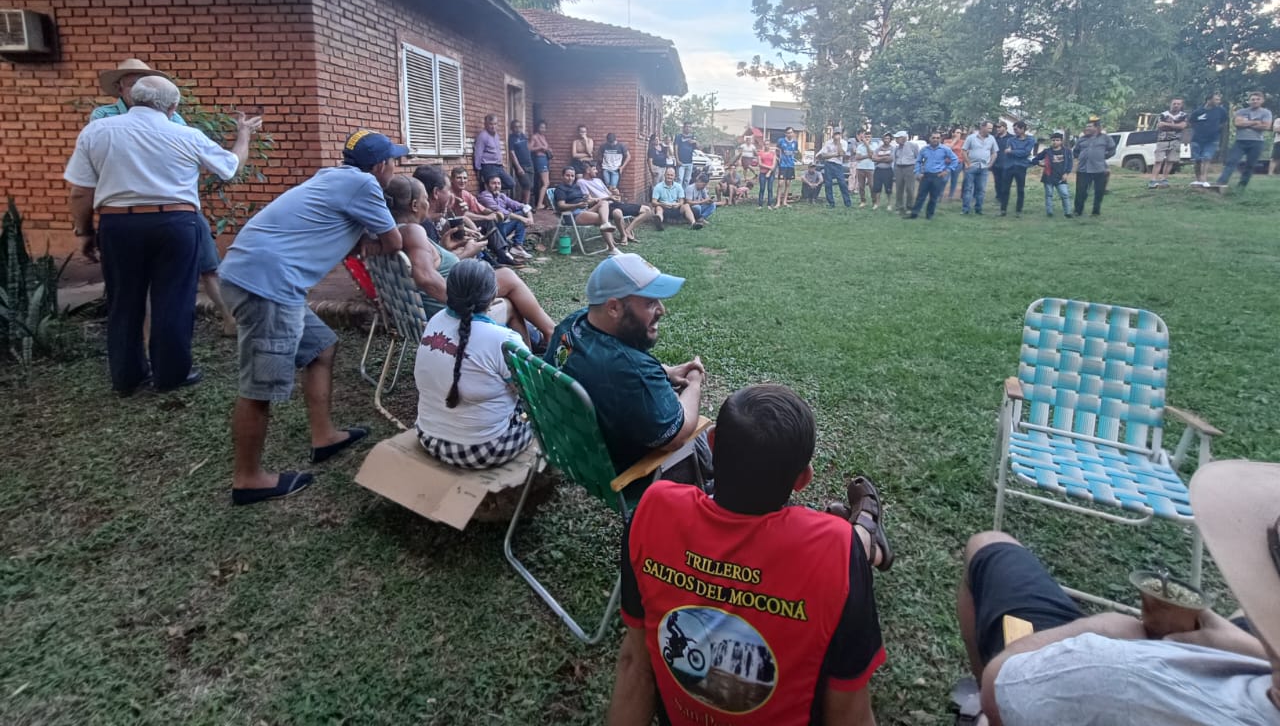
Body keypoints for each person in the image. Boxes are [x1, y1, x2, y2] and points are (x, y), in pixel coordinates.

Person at [607, 384, 890, 726]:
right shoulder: (835, 548)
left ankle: (867, 529)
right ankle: (866, 526)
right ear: (803, 479)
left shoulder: (653, 511)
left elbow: (635, 666)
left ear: (711, 445)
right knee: (848, 543)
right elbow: (849, 714)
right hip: (834, 550)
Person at [959, 459, 1280, 726]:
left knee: (988, 548)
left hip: (1079, 678)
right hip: (1243, 672)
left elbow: (1000, 685)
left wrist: (1099, 629)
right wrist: (1245, 648)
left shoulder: (1118, 674)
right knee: (1241, 620)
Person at [219, 129, 405, 506]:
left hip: (257, 274)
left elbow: (336, 230)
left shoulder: (333, 178)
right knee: (261, 386)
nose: (395, 167)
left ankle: (324, 436)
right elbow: (395, 241)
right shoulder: (365, 185)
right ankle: (248, 478)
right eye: (394, 161)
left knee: (321, 346)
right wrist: (374, 243)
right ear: (381, 165)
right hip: (267, 285)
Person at [65, 75, 255, 395]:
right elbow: (232, 166)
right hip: (175, 224)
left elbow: (80, 193)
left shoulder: (97, 131)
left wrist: (84, 232)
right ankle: (171, 375)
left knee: (124, 301)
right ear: (173, 106)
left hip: (119, 225)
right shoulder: (185, 133)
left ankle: (127, 379)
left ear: (131, 99)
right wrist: (244, 134)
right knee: (174, 300)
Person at [90, 58, 237, 336]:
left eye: (141, 82)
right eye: (132, 83)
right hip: (127, 208)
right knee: (141, 284)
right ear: (120, 87)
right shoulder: (103, 119)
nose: (137, 88)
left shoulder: (173, 118)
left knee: (208, 264)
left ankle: (228, 318)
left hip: (176, 208)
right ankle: (147, 343)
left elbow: (184, 148)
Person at [544, 253, 707, 480]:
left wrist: (664, 371)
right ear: (613, 308)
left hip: (572, 446)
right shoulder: (630, 372)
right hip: (616, 468)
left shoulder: (573, 324)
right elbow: (677, 435)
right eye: (650, 302)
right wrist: (695, 382)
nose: (662, 310)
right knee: (704, 436)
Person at [400, 170, 555, 343]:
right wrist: (467, 255)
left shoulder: (393, 235)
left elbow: (432, 265)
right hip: (449, 310)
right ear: (415, 205)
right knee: (507, 278)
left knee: (504, 278)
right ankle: (549, 334)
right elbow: (426, 278)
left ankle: (542, 335)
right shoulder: (413, 231)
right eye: (424, 201)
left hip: (430, 305)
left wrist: (448, 249)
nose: (427, 205)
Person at [413, 259, 534, 469]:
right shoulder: (504, 340)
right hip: (484, 448)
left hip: (428, 436)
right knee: (545, 419)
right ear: (493, 295)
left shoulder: (435, 320)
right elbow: (530, 394)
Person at [551, 165, 621, 250]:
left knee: (604, 202)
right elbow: (561, 205)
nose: (570, 178)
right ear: (562, 176)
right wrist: (577, 205)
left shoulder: (576, 187)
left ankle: (607, 227)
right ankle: (612, 248)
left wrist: (586, 200)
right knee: (602, 218)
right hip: (573, 215)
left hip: (584, 210)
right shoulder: (560, 189)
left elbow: (583, 199)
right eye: (567, 175)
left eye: (572, 176)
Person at [1215, 91, 1273, 188]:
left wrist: (1246, 123)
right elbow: (1238, 124)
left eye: (1257, 99)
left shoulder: (1266, 112)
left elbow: (1266, 126)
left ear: (1262, 101)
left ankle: (1241, 186)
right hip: (1240, 141)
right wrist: (1256, 122)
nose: (1255, 101)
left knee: (1250, 165)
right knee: (1231, 161)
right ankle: (1221, 182)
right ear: (1249, 101)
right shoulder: (1241, 111)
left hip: (1257, 142)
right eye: (1252, 99)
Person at [478, 173, 533, 261]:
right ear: (487, 186)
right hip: (490, 231)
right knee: (501, 217)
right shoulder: (484, 196)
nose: (497, 186)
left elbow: (521, 205)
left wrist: (530, 218)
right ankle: (503, 250)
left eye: (498, 183)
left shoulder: (501, 196)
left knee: (521, 213)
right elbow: (500, 211)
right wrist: (522, 218)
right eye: (493, 183)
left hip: (502, 228)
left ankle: (517, 246)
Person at [907, 131, 959, 219]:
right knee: (920, 196)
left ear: (940, 139)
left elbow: (955, 160)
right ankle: (914, 214)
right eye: (933, 138)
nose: (935, 139)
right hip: (926, 175)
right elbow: (918, 161)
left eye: (938, 138)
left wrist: (947, 171)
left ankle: (929, 215)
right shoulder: (924, 149)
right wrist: (917, 173)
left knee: (934, 197)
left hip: (937, 176)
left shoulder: (945, 149)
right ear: (930, 138)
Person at [1072, 118, 1115, 217]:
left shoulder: (1105, 138)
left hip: (1099, 169)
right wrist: (1081, 157)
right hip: (1083, 169)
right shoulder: (1082, 139)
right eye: (1086, 126)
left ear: (1097, 128)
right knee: (1081, 191)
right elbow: (1075, 151)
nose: (1087, 128)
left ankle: (1096, 211)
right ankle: (1078, 211)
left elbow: (1112, 149)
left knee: (1099, 191)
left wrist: (1104, 156)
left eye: (1090, 126)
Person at [1147, 98, 1189, 189]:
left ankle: (1164, 178)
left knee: (1170, 160)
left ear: (1181, 105)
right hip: (1162, 140)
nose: (1176, 105)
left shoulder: (1184, 115)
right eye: (1174, 103)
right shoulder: (1163, 114)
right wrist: (1176, 126)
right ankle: (1153, 180)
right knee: (1158, 160)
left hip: (1176, 141)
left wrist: (1168, 124)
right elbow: (1160, 125)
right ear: (1171, 104)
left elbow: (1183, 126)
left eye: (1178, 104)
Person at [1187, 93, 1228, 185]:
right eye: (1216, 99)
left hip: (1212, 139)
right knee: (1197, 160)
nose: (1219, 101)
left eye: (1219, 99)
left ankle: (1204, 179)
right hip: (1197, 139)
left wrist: (1216, 129)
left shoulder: (1221, 111)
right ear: (1209, 100)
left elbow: (1224, 122)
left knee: (1206, 157)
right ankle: (1198, 180)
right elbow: (1190, 123)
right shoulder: (1198, 112)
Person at [997, 122, 1036, 217]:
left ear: (1023, 129)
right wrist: (1017, 151)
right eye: (1014, 129)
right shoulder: (1010, 140)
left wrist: (1012, 151)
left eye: (1016, 129)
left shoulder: (1030, 140)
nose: (1014, 131)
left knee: (1020, 189)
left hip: (1021, 167)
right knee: (1005, 189)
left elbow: (1026, 152)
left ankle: (1018, 210)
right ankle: (1003, 210)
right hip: (1009, 166)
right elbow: (1007, 151)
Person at [1030, 133, 1073, 217]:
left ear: (1061, 141)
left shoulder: (1067, 151)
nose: (1055, 142)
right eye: (1053, 140)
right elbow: (1034, 159)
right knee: (1049, 195)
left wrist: (1066, 173)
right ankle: (1049, 212)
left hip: (1061, 177)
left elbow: (1070, 164)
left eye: (1057, 140)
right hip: (1048, 176)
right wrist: (1040, 163)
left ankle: (1068, 213)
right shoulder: (1047, 151)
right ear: (1051, 141)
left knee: (1065, 194)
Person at [961, 121, 999, 216]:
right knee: (968, 188)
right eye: (989, 128)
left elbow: (994, 152)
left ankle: (978, 209)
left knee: (981, 189)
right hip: (972, 166)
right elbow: (964, 151)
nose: (991, 130)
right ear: (982, 127)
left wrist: (990, 163)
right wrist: (968, 163)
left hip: (984, 168)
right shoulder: (971, 138)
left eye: (991, 128)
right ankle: (965, 209)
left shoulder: (992, 139)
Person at [473, 113, 515, 193]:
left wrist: (501, 163)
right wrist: (478, 169)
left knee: (511, 183)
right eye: (491, 124)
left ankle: (489, 190)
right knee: (492, 187)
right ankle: (490, 193)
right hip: (488, 167)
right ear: (485, 124)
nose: (493, 126)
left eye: (495, 124)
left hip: (498, 166)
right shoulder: (482, 136)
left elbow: (497, 151)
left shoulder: (496, 136)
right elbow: (478, 153)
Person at [818, 128, 852, 208]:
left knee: (842, 183)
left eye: (839, 134)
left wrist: (838, 143)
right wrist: (835, 155)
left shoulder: (844, 142)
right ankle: (831, 203)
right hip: (828, 164)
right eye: (836, 134)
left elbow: (842, 153)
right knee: (828, 184)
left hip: (838, 165)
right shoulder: (828, 142)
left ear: (841, 135)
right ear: (833, 135)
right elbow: (823, 155)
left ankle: (847, 203)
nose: (837, 136)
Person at [892, 130, 919, 216]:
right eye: (896, 138)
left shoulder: (913, 145)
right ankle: (899, 207)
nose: (896, 140)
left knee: (910, 188)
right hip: (899, 168)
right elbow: (895, 158)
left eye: (897, 138)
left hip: (910, 167)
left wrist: (917, 169)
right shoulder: (896, 148)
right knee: (899, 188)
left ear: (903, 138)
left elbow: (917, 157)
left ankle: (909, 207)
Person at [507, 119, 534, 205]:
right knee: (527, 185)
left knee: (529, 186)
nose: (518, 129)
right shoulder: (511, 138)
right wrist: (518, 167)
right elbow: (512, 153)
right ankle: (526, 206)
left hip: (529, 163)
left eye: (519, 127)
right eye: (515, 127)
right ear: (512, 128)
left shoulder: (523, 136)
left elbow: (528, 148)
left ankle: (523, 205)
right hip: (521, 166)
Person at [529, 120, 552, 210]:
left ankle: (541, 202)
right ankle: (539, 204)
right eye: (541, 127)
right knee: (546, 183)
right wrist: (540, 147)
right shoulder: (535, 137)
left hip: (544, 159)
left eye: (544, 127)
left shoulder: (543, 136)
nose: (543, 129)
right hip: (539, 159)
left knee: (544, 182)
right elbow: (530, 148)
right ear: (537, 127)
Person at [775, 126, 799, 207]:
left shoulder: (795, 142)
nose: (790, 134)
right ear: (785, 133)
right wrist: (778, 159)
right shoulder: (781, 141)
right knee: (780, 183)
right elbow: (777, 150)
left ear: (793, 133)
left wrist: (792, 159)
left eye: (791, 132)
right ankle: (778, 202)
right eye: (788, 132)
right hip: (783, 165)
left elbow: (795, 152)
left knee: (788, 183)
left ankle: (785, 202)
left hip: (790, 165)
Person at [851, 130, 876, 207]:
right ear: (863, 137)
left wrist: (867, 145)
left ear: (871, 137)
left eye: (869, 137)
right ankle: (863, 201)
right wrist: (867, 156)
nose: (867, 138)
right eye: (866, 137)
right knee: (861, 186)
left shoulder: (875, 145)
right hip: (860, 168)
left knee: (872, 185)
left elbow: (872, 155)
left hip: (870, 168)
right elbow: (857, 157)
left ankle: (874, 201)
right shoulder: (859, 146)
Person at [871, 131, 894, 209]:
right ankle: (877, 204)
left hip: (888, 170)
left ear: (890, 140)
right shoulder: (878, 148)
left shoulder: (892, 148)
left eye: (888, 138)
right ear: (883, 139)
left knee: (888, 188)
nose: (886, 140)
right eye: (885, 138)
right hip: (878, 170)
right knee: (877, 188)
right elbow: (873, 158)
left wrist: (879, 159)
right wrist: (884, 157)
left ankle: (889, 204)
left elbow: (890, 159)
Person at [675, 121, 698, 187]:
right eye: (686, 127)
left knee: (687, 180)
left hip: (689, 163)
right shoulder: (678, 136)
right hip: (681, 162)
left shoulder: (692, 137)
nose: (688, 128)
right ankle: (679, 196)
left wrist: (695, 142)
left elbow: (698, 148)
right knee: (679, 180)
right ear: (683, 128)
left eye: (689, 127)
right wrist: (677, 160)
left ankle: (684, 196)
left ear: (691, 128)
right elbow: (675, 148)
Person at [946, 127, 966, 200]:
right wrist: (954, 141)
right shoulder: (946, 141)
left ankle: (950, 196)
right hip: (947, 163)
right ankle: (940, 195)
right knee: (944, 179)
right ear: (952, 133)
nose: (959, 134)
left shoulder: (963, 142)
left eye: (960, 133)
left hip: (958, 163)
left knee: (954, 180)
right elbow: (948, 148)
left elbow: (964, 151)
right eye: (957, 132)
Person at [756, 140, 778, 208]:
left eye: (768, 144)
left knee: (770, 189)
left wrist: (769, 172)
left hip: (771, 173)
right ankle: (760, 204)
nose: (767, 146)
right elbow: (760, 164)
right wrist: (769, 167)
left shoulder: (773, 153)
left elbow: (774, 165)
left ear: (770, 145)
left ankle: (769, 204)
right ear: (764, 145)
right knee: (762, 189)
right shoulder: (760, 153)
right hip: (762, 173)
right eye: (765, 144)